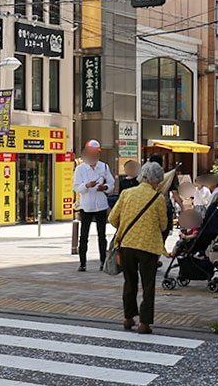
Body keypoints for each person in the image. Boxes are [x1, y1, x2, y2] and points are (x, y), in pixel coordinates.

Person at [108, 161, 169, 333]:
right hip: (148, 247)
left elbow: (112, 219)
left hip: (126, 245)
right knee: (148, 285)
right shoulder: (158, 199)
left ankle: (128, 318)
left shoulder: (127, 193)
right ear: (157, 180)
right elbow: (163, 225)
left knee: (130, 282)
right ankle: (144, 323)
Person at [73, 139, 114, 272]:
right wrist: (86, 186)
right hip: (86, 205)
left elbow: (111, 183)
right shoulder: (80, 169)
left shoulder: (104, 167)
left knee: (101, 235)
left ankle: (103, 261)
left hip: (101, 205)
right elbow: (76, 187)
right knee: (83, 235)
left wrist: (105, 187)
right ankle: (82, 262)